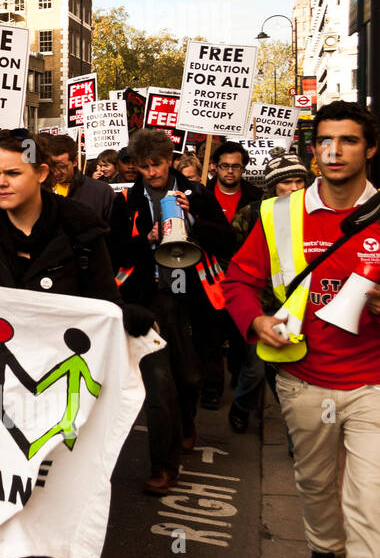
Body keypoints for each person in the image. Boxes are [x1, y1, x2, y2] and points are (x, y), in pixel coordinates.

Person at [0, 129, 145, 558]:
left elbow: (102, 304)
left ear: (40, 173)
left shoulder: (80, 230)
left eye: (12, 172)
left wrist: (122, 315)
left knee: (49, 516)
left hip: (58, 401)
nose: (0, 182)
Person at [223, 101, 380, 558]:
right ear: (314, 150)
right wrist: (257, 322)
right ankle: (324, 556)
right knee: (315, 485)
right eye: (325, 141)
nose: (334, 151)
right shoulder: (278, 213)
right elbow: (237, 281)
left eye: (349, 140)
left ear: (370, 148)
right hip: (302, 380)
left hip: (372, 385)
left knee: (370, 503)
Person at [119, 127, 236, 494]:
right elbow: (116, 247)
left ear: (170, 160)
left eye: (156, 164)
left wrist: (196, 216)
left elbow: (227, 240)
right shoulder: (127, 198)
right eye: (143, 166)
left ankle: (187, 421)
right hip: (151, 297)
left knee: (189, 377)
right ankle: (164, 466)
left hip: (192, 296)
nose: (151, 172)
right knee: (160, 384)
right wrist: (145, 240)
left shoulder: (196, 192)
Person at [226, 150, 311, 434]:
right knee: (257, 368)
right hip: (262, 307)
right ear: (273, 185)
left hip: (299, 305)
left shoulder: (312, 215)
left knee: (295, 373)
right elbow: (233, 258)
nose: (294, 188)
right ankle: (240, 407)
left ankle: (293, 435)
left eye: (299, 181)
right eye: (287, 182)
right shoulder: (253, 214)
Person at [193, 141, 263, 409]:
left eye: (235, 166)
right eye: (224, 166)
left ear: (243, 168)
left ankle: (237, 377)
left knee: (239, 335)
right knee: (210, 336)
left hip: (244, 276)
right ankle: (212, 388)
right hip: (208, 276)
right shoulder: (200, 195)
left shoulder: (257, 198)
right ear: (215, 167)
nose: (230, 171)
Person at [41, 133, 117, 225]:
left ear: (75, 161)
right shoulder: (40, 192)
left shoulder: (102, 192)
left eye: (62, 167)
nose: (56, 172)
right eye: (52, 166)